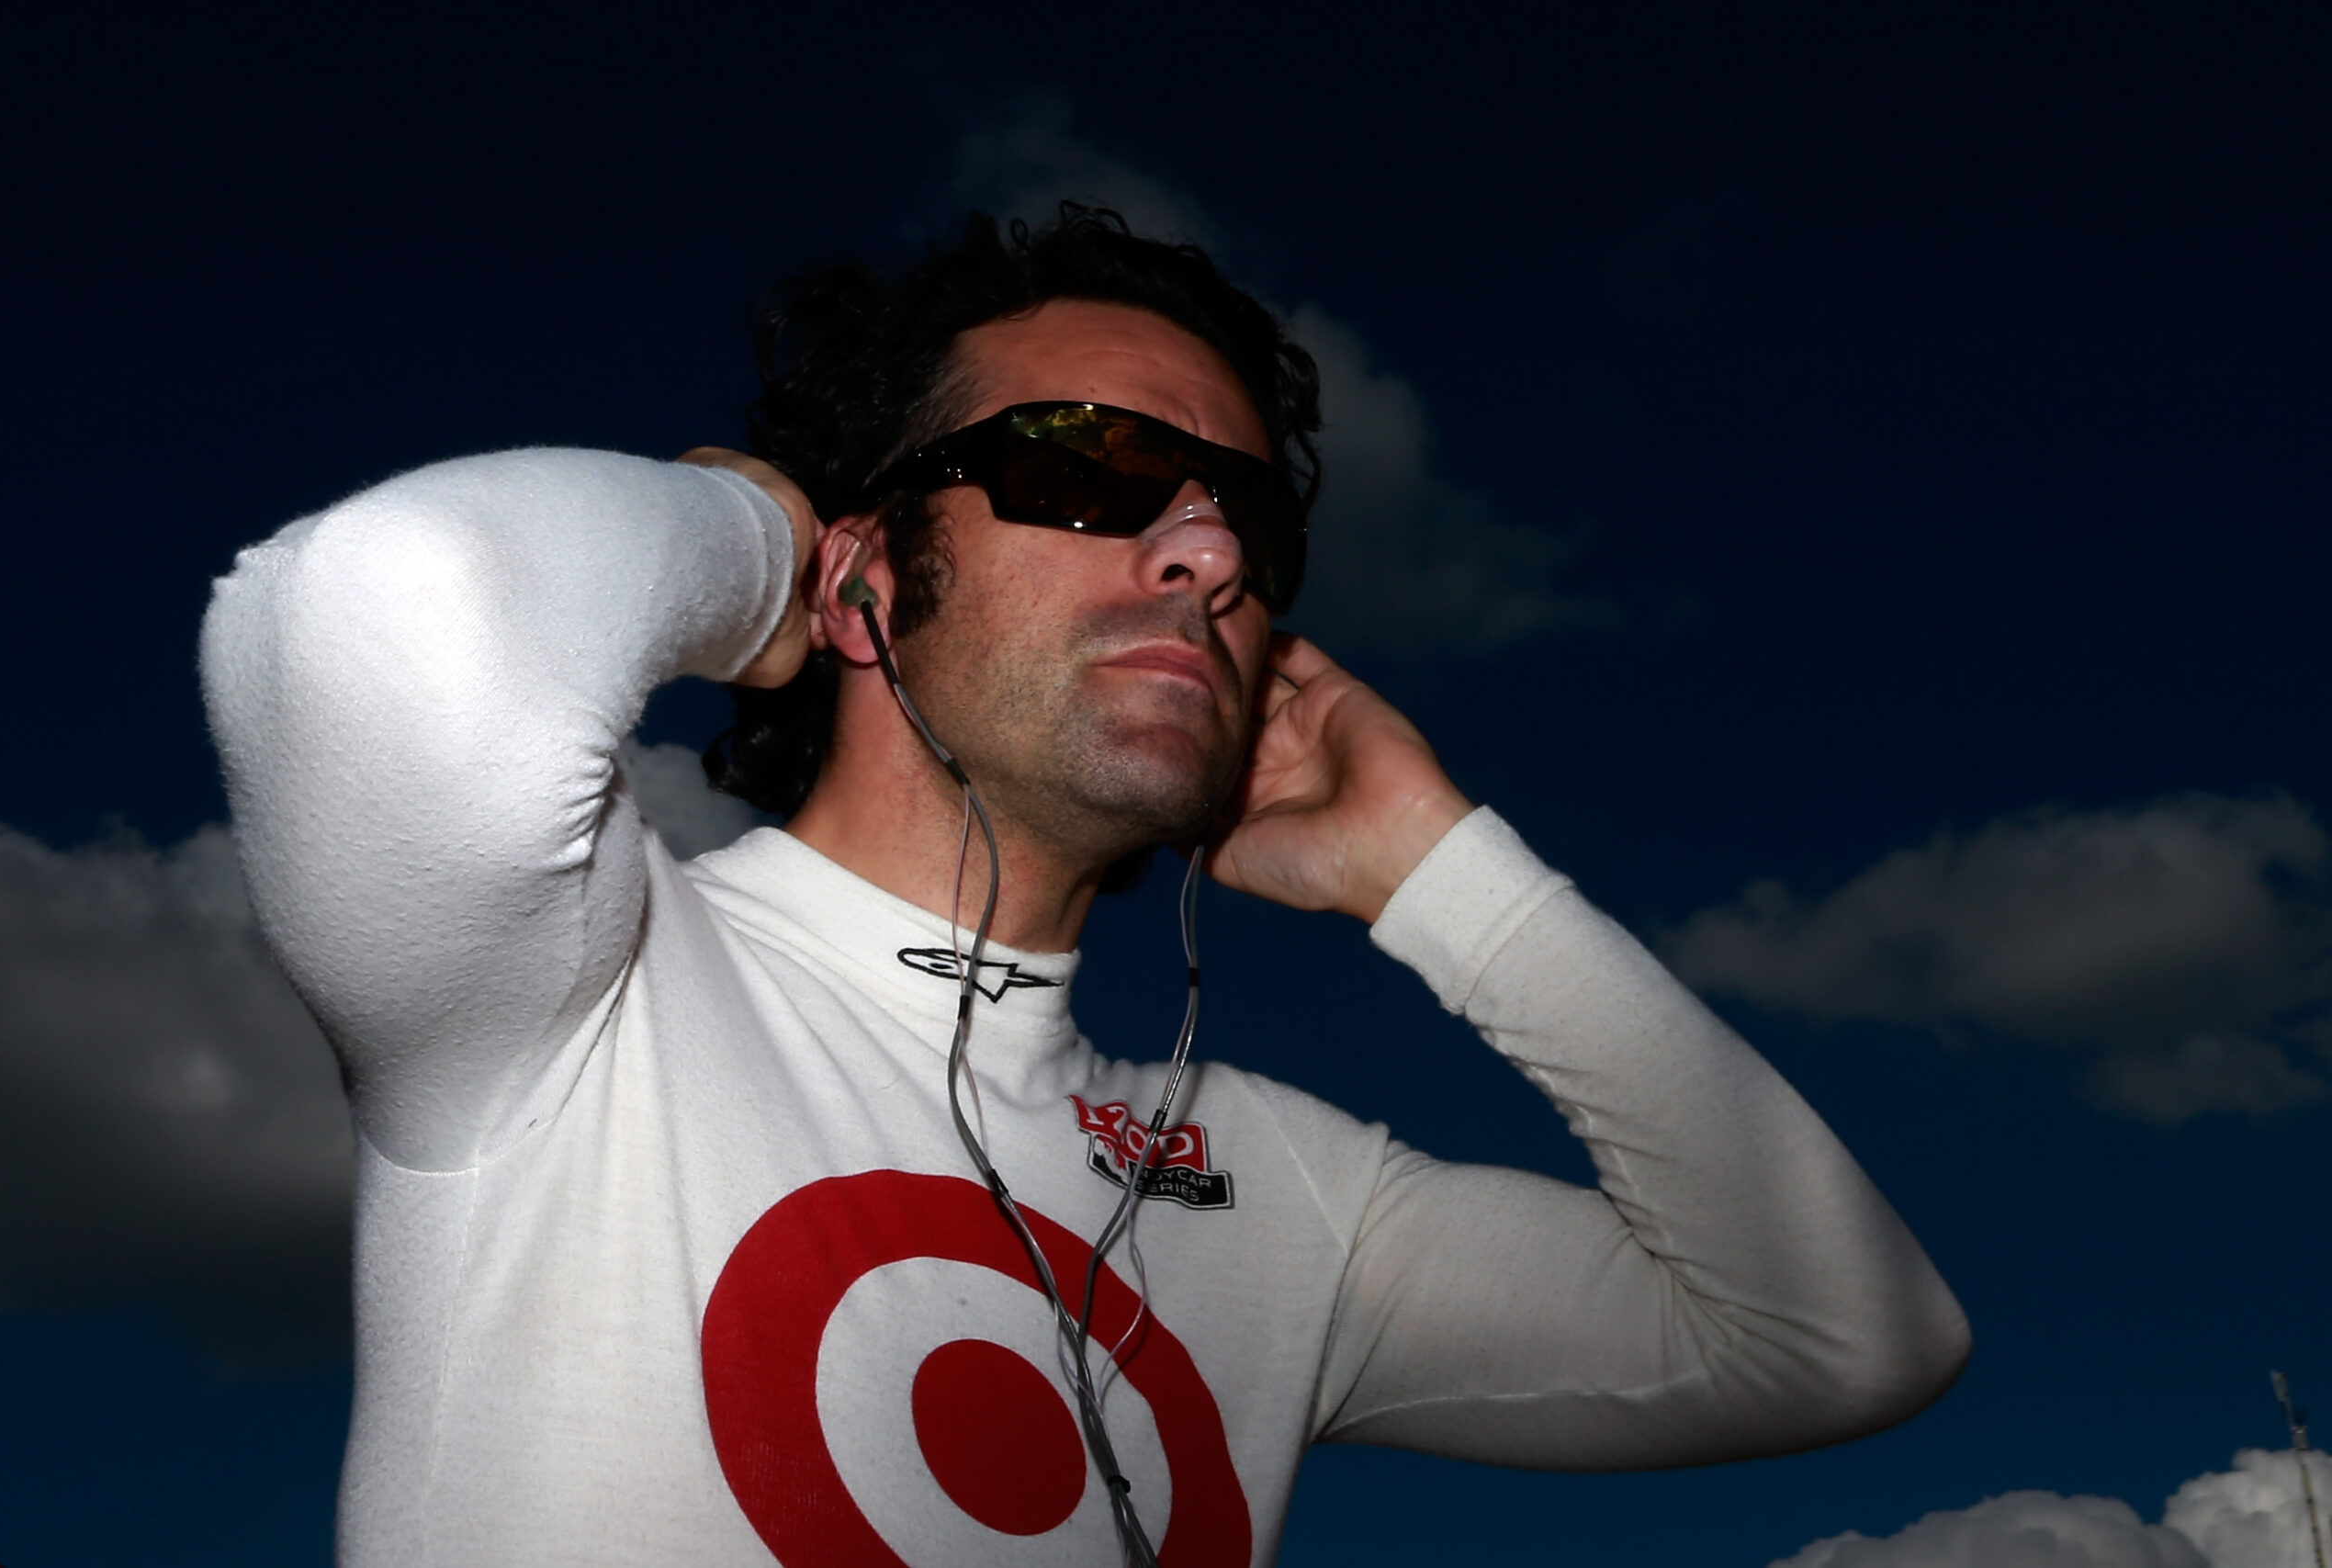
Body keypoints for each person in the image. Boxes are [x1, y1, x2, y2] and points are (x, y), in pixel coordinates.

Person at [201, 208, 1969, 1567]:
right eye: (1086, 465)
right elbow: (382, 604)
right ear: (877, 576)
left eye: (1243, 524)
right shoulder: (581, 980)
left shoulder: (1285, 1192)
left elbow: (1847, 1337)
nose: (1202, 549)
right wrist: (768, 550)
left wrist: (1439, 874)